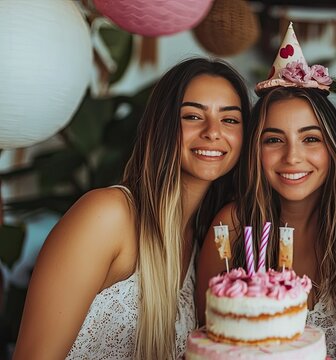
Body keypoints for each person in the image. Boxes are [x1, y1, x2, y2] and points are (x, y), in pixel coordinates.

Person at [13, 58, 251, 359]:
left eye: (230, 119)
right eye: (192, 116)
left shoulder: (204, 243)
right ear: (161, 124)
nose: (213, 132)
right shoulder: (107, 216)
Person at [196, 23, 336, 360]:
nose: (292, 157)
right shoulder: (231, 226)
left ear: (333, 148)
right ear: (254, 150)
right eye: (273, 139)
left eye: (310, 138)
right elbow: (209, 344)